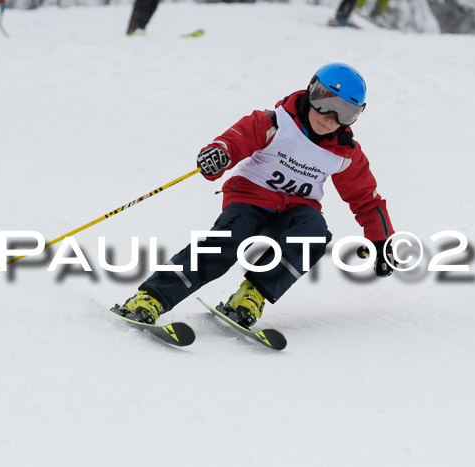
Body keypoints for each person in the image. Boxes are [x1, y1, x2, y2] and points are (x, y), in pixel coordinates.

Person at [116, 63, 396, 328]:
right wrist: (219, 154)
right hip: (250, 199)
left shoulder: (344, 153)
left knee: (314, 232)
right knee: (227, 242)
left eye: (344, 112)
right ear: (311, 90)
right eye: (325, 103)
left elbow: (366, 199)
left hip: (296, 211)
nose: (329, 118)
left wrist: (381, 240)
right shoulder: (274, 123)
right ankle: (151, 297)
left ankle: (251, 296)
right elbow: (235, 140)